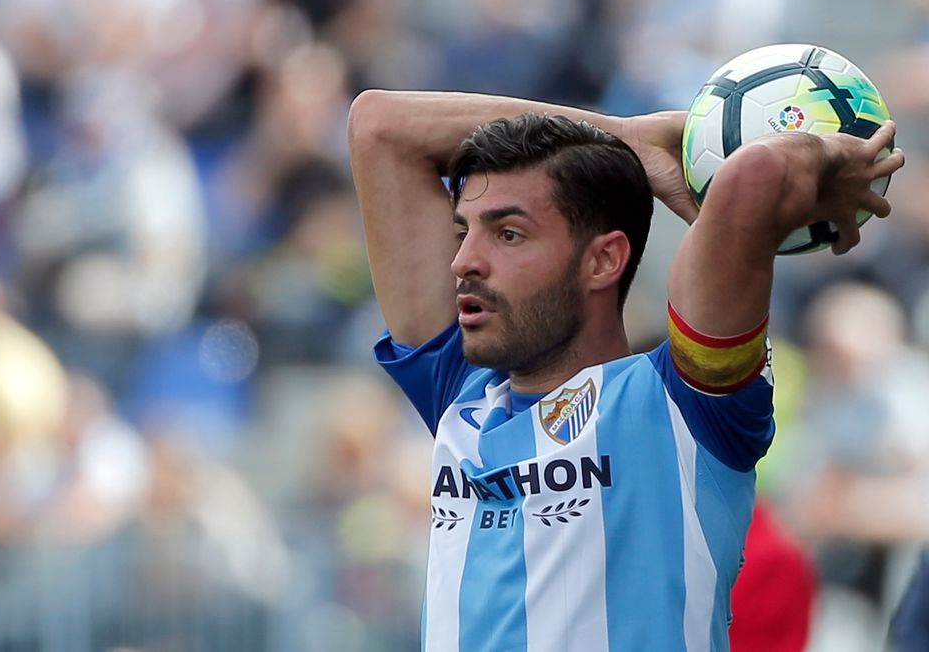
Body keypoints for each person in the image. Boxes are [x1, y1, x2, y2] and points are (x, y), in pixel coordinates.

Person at [346, 89, 903, 651]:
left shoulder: (689, 406)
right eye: (464, 230)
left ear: (604, 259)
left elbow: (754, 174)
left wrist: (818, 154)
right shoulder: (461, 396)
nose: (463, 260)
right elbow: (379, 126)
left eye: (508, 233)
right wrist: (625, 136)